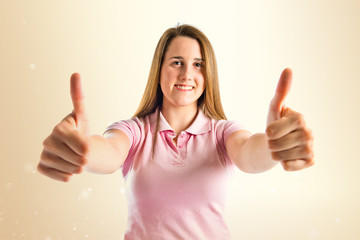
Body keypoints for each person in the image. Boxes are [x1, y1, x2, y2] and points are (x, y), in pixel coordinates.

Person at [38, 24, 314, 239]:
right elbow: (108, 151)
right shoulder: (135, 131)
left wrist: (274, 144)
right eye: (177, 62)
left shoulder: (223, 133)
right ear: (160, 70)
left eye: (198, 64)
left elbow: (249, 154)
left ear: (208, 76)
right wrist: (83, 148)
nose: (186, 75)